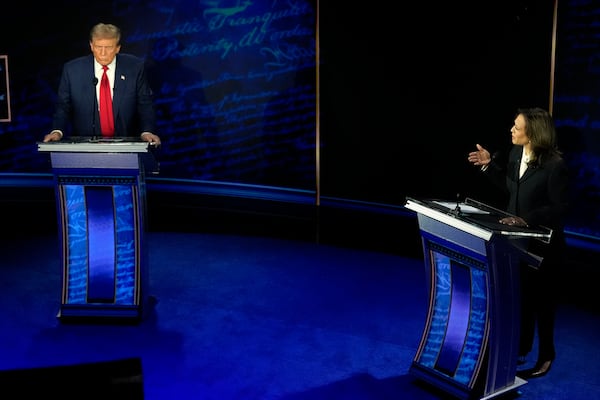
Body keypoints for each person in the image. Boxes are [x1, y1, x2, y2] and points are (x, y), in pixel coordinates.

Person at [467, 107, 569, 379]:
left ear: (532, 133)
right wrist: (489, 166)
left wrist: (527, 219)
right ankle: (520, 348)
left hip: (545, 248)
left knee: (543, 305)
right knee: (521, 299)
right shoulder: (514, 153)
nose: (511, 130)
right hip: (516, 244)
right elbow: (511, 188)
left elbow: (560, 207)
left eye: (517, 127)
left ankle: (547, 356)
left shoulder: (555, 165)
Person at [43, 23, 161, 145]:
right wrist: (57, 131)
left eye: (109, 47)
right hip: (85, 146)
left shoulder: (134, 68)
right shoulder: (72, 70)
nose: (103, 53)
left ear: (117, 48)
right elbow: (63, 106)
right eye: (98, 47)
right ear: (91, 46)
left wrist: (147, 131)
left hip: (126, 144)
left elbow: (144, 103)